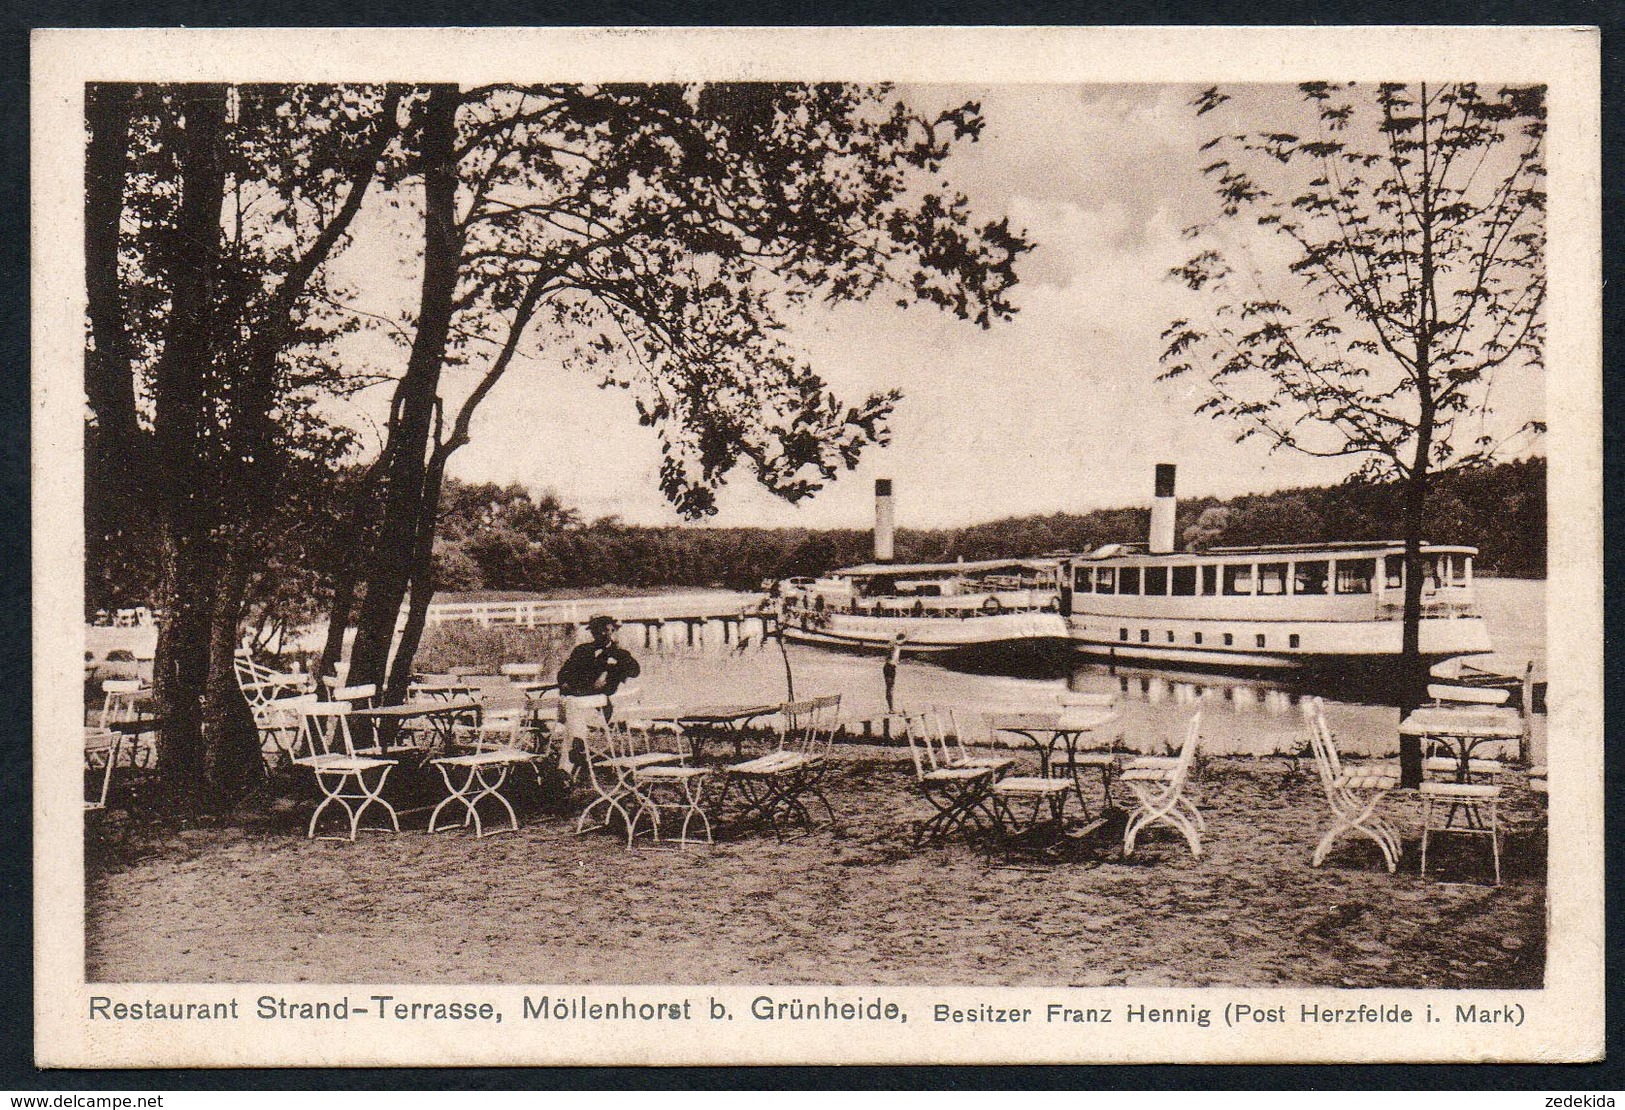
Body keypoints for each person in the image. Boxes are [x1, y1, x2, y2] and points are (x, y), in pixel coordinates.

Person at [555, 615, 641, 776]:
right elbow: (563, 675)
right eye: (600, 630)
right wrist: (567, 684)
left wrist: (611, 668)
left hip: (599, 709)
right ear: (593, 632)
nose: (605, 634)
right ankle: (576, 750)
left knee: (572, 711)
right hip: (578, 703)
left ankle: (566, 767)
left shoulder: (619, 654)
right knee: (574, 708)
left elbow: (634, 671)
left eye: (609, 630)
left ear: (613, 632)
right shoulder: (582, 650)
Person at [883, 632, 906, 713]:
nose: (903, 643)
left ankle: (891, 708)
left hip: (893, 668)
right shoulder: (893, 645)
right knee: (889, 688)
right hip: (888, 667)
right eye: (903, 641)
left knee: (891, 687)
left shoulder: (898, 647)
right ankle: (890, 708)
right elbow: (889, 647)